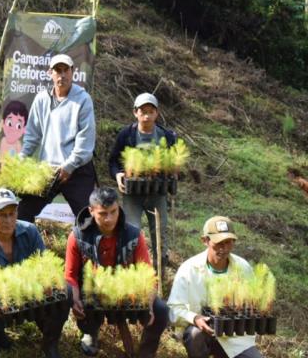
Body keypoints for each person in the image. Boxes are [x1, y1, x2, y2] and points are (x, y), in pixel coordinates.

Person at [65, 187, 168, 357]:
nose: (109, 218)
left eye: (113, 212)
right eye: (103, 214)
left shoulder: (134, 235)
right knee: (73, 296)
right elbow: (70, 275)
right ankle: (90, 332)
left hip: (126, 293)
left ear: (118, 207)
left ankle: (146, 351)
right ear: (91, 211)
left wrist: (149, 304)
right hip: (92, 292)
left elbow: (148, 275)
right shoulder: (77, 236)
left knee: (161, 310)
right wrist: (74, 299)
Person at [0, 188, 67, 356]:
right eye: (2, 215)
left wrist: (47, 282)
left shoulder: (30, 231)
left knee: (66, 292)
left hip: (30, 292)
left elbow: (44, 265)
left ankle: (50, 341)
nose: (8, 219)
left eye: (12, 213)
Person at [167, 217, 263, 358]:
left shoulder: (243, 268)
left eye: (228, 242)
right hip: (202, 333)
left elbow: (254, 303)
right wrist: (195, 318)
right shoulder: (189, 269)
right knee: (195, 335)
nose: (223, 248)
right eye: (218, 243)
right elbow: (173, 309)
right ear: (205, 240)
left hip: (234, 337)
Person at [19, 53, 96, 222]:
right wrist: (22, 157)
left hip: (78, 170)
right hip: (48, 169)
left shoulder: (83, 100)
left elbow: (85, 139)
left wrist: (69, 166)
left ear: (72, 72)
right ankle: (27, 246)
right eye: (57, 70)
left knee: (88, 219)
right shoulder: (41, 99)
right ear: (50, 73)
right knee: (24, 212)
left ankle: (88, 248)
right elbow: (32, 134)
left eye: (65, 70)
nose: (62, 75)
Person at [108, 92, 177, 266]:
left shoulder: (165, 136)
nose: (146, 115)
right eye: (142, 111)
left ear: (157, 113)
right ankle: (132, 268)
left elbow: (173, 163)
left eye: (150, 111)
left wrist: (172, 172)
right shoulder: (127, 134)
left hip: (157, 192)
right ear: (135, 112)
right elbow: (113, 160)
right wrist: (118, 174)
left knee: (160, 231)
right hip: (133, 193)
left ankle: (160, 267)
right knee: (132, 230)